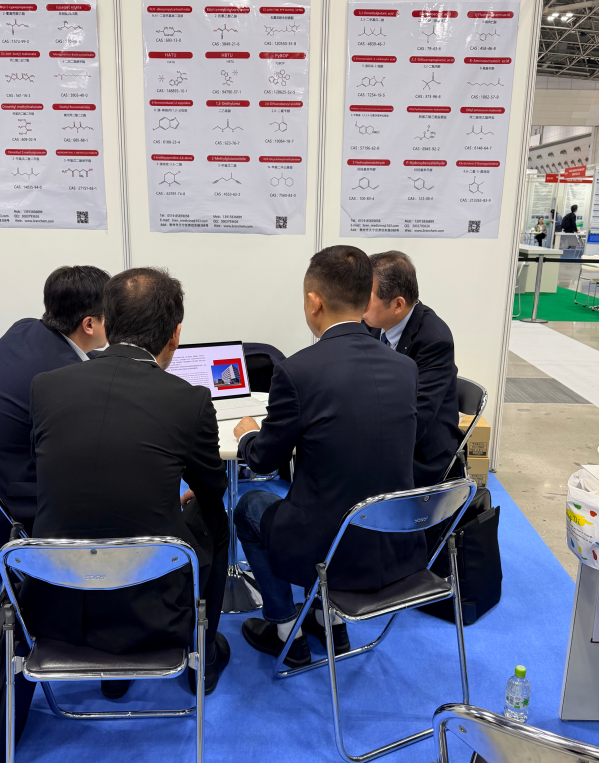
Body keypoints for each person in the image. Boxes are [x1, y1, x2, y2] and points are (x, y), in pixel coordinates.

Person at [23, 267, 231, 699]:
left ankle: (113, 675)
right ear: (175, 335)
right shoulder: (189, 400)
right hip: (153, 610)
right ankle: (203, 656)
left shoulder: (45, 387)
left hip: (56, 600)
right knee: (216, 518)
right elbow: (213, 490)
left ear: (107, 322)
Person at [232, 245, 424, 669]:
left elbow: (263, 462)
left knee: (248, 507)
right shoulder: (404, 368)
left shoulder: (298, 371)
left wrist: (248, 437)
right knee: (334, 493)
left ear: (314, 302)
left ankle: (286, 629)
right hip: (396, 545)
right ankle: (327, 619)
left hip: (328, 551)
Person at [0, 265, 110, 555]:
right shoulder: (64, 380)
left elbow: (76, 358)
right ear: (89, 324)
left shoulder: (24, 328)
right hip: (2, 518)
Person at [364, 251, 462, 487]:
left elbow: (417, 417)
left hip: (421, 452)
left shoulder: (434, 340)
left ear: (397, 304)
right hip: (385, 429)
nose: (358, 303)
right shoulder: (372, 324)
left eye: (366, 297)